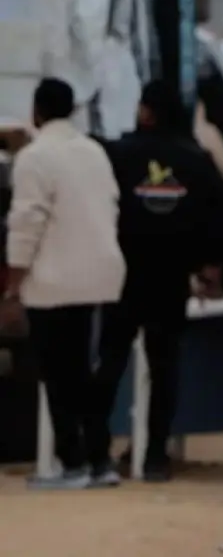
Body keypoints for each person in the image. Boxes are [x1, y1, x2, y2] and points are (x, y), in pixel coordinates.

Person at [91, 80, 223, 482]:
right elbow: (220, 213)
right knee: (164, 368)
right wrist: (208, 265)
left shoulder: (119, 154)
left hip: (124, 276)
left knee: (111, 361)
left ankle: (96, 450)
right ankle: (155, 456)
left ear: (146, 111)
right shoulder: (196, 160)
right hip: (171, 279)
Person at [0, 79, 126, 489]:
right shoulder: (94, 152)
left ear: (36, 111)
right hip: (100, 278)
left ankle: (72, 465)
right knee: (86, 376)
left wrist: (11, 286)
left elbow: (26, 224)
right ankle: (100, 462)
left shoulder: (35, 157)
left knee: (58, 377)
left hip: (54, 283)